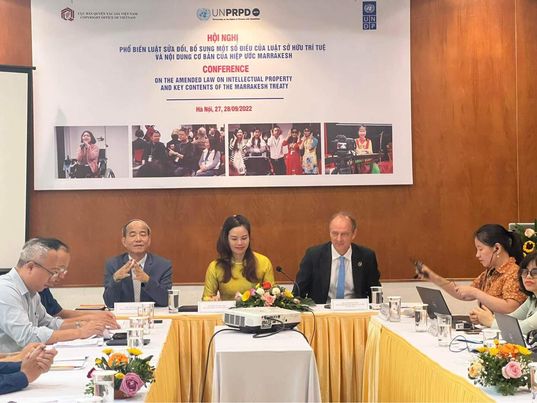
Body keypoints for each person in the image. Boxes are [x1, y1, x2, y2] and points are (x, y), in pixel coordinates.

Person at [0, 238, 105, 353]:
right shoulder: (5, 290)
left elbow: (49, 323)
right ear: (30, 267)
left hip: (28, 358)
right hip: (9, 361)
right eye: (53, 272)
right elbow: (27, 336)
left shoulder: (33, 292)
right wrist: (80, 332)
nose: (55, 278)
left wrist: (80, 325)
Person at [417, 224, 526, 317]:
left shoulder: (514, 272)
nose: (477, 255)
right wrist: (433, 277)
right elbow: (464, 294)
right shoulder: (489, 272)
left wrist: (476, 293)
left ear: (497, 248)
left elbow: (511, 308)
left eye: (480, 249)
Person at [294, 212, 381, 304]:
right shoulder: (313, 255)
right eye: (335, 233)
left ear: (354, 234)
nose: (339, 239)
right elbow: (298, 292)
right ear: (330, 232)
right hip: (323, 310)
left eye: (344, 234)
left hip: (355, 310)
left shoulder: (366, 256)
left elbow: (375, 292)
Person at [38, 240, 119, 329]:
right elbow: (42, 327)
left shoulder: (43, 287)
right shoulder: (32, 289)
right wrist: (84, 324)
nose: (62, 276)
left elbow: (57, 314)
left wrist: (96, 315)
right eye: (57, 270)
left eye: (63, 270)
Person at [202, 215, 274, 301]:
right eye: (234, 239)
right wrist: (212, 300)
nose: (240, 243)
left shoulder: (264, 262)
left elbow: (272, 296)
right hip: (227, 309)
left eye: (244, 238)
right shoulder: (215, 267)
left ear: (249, 238)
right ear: (226, 239)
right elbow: (206, 298)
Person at [103, 219, 172, 307]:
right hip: (124, 315)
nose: (138, 239)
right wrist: (116, 279)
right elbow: (109, 303)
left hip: (152, 314)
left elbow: (165, 301)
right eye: (132, 235)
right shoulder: (113, 264)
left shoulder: (163, 265)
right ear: (124, 241)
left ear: (149, 240)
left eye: (143, 234)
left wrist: (147, 280)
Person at [471, 252, 537, 334]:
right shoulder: (532, 299)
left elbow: (522, 328)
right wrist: (484, 317)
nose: (528, 276)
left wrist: (490, 322)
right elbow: (511, 319)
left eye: (535, 272)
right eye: (525, 272)